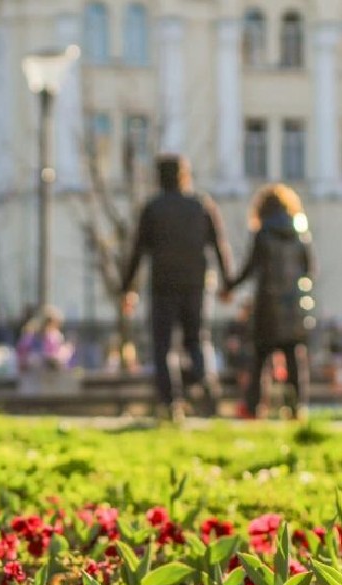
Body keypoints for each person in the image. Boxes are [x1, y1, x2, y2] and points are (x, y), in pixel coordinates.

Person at [121, 154, 233, 420]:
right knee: (196, 339)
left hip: (163, 284)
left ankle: (171, 402)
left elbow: (137, 251)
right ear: (185, 175)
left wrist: (127, 288)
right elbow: (219, 246)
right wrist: (227, 283)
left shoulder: (153, 209)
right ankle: (204, 383)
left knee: (163, 345)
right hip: (195, 284)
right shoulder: (201, 205)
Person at [223, 183, 315, 420]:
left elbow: (250, 268)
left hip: (268, 305)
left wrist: (229, 286)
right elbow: (310, 269)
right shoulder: (299, 233)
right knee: (294, 356)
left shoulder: (263, 233)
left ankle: (254, 407)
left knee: (260, 357)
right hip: (293, 305)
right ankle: (295, 407)